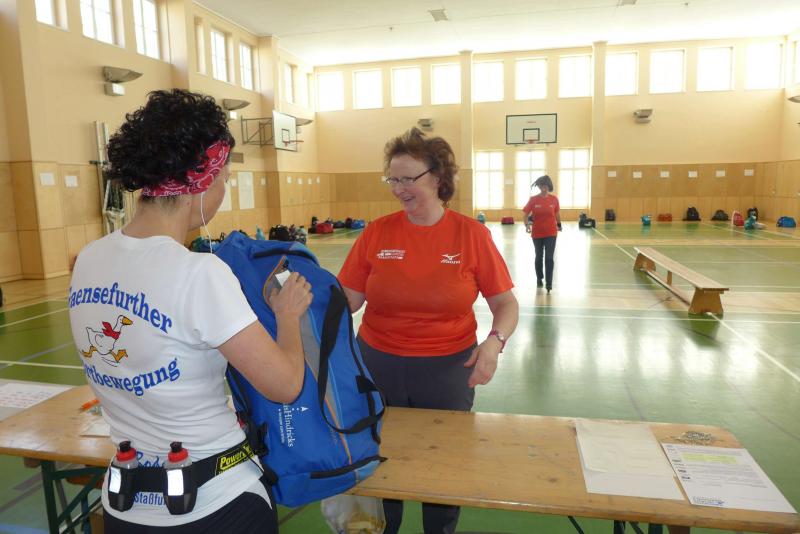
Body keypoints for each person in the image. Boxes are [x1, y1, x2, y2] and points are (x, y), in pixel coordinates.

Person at [68, 89, 312, 532]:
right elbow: (285, 385)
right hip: (215, 504)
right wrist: (288, 317)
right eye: (225, 179)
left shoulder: (88, 259)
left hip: (125, 507)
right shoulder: (199, 273)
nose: (223, 191)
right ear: (202, 182)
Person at [338, 128, 519, 534]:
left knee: (443, 469)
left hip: (447, 368)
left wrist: (494, 343)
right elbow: (347, 299)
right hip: (377, 364)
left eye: (408, 179)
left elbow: (506, 304)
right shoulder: (377, 232)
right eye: (392, 179)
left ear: (438, 178)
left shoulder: (471, 235)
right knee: (382, 462)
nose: (398, 189)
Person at [522, 175, 561, 293]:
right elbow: (525, 214)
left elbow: (557, 213)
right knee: (539, 257)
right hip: (537, 233)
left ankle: (549, 283)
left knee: (549, 258)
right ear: (539, 186)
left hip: (551, 233)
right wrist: (527, 225)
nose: (543, 188)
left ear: (548, 186)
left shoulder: (554, 199)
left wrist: (559, 224)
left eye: (545, 186)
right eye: (541, 186)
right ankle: (539, 277)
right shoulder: (533, 199)